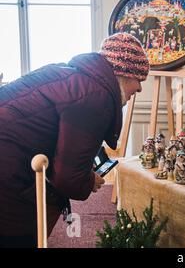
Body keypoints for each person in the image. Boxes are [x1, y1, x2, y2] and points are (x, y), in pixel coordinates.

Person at [0, 32, 150, 247]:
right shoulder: (96, 97)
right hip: (8, 175)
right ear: (124, 72)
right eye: (139, 79)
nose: (140, 88)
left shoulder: (72, 76)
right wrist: (90, 181)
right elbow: (68, 179)